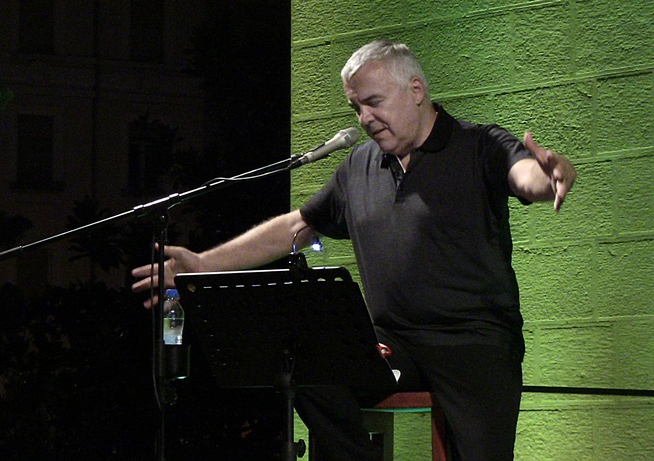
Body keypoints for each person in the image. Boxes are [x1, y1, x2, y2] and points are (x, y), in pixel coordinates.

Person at [132, 39, 576, 461]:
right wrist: (202, 264)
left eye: (374, 102)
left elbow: (525, 176)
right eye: (356, 107)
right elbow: (297, 226)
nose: (364, 118)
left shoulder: (478, 144)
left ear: (416, 90)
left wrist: (549, 177)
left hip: (474, 342)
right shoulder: (360, 166)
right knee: (309, 366)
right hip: (393, 341)